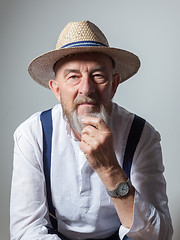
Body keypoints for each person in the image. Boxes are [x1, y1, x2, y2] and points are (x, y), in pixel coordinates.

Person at [10, 21, 173, 240]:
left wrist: (110, 170)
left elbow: (159, 236)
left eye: (98, 75)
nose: (86, 89)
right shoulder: (32, 135)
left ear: (114, 85)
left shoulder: (142, 136)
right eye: (73, 76)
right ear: (56, 89)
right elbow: (25, 231)